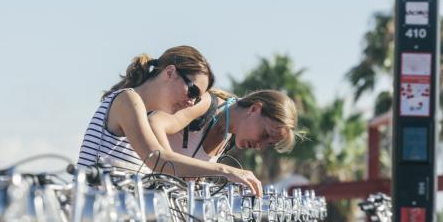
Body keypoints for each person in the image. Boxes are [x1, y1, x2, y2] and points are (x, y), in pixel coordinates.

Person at [76, 45, 263, 194]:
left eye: (197, 98)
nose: (191, 102)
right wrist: (227, 171)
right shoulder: (127, 99)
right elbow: (157, 160)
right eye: (192, 91)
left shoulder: (139, 110)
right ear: (170, 73)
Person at [148, 88, 299, 163]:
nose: (260, 146)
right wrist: (171, 167)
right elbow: (155, 122)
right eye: (265, 135)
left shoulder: (229, 138)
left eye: (269, 143)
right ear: (254, 109)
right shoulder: (206, 105)